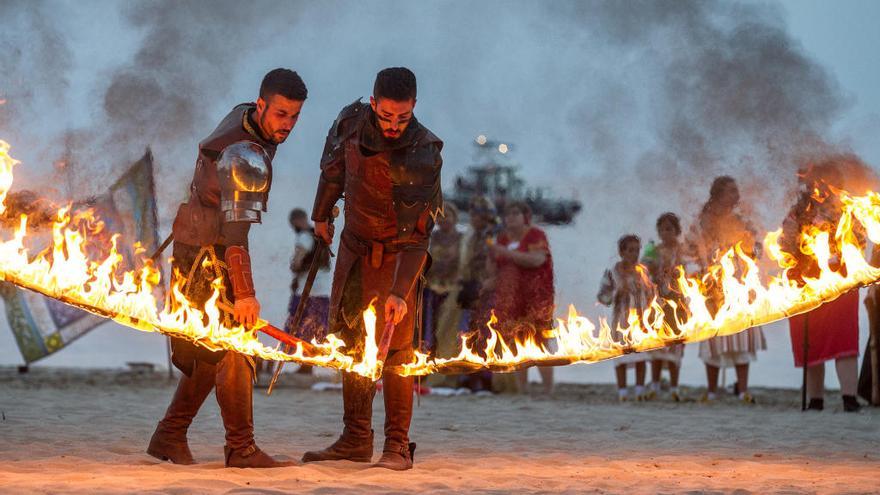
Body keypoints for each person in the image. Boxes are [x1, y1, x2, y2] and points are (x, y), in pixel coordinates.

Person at [148, 69, 307, 467]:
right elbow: (235, 238)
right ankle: (241, 448)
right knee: (236, 348)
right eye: (280, 114)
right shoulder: (246, 155)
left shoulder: (243, 117)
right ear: (261, 105)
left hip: (195, 243)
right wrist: (246, 294)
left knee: (208, 350)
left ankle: (169, 436)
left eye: (294, 116)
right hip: (209, 254)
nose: (286, 125)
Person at [302, 67, 442, 471]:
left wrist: (400, 290)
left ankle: (397, 445)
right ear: (374, 102)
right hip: (353, 248)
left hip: (398, 255)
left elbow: (419, 237)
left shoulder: (423, 151)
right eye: (386, 116)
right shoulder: (349, 123)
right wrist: (321, 215)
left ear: (414, 105)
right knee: (349, 342)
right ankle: (355, 438)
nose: (394, 125)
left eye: (402, 116)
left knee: (396, 352)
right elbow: (332, 173)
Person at [782, 164, 862, 412]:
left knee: (844, 341)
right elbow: (785, 244)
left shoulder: (847, 208)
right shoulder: (798, 211)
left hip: (840, 283)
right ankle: (815, 399)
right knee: (811, 344)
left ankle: (849, 398)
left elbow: (858, 240)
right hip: (807, 283)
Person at [686, 176, 766, 403]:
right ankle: (712, 391)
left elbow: (756, 250)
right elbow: (690, 250)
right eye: (731, 191)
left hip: (739, 283)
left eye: (736, 190)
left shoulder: (742, 221)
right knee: (713, 338)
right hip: (712, 285)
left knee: (741, 338)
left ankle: (742, 391)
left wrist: (750, 244)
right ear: (719, 195)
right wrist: (701, 268)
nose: (736, 195)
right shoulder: (702, 222)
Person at [487, 201, 555, 394]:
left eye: (515, 213)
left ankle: (548, 389)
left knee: (540, 339)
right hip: (509, 297)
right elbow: (493, 269)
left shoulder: (536, 235)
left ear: (525, 216)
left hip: (536, 295)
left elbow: (537, 260)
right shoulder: (501, 238)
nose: (511, 218)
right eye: (507, 214)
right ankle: (522, 389)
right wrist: (490, 255)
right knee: (516, 339)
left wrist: (505, 253)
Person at [598, 234, 654, 401]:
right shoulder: (612, 272)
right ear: (621, 252)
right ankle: (622, 392)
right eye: (630, 250)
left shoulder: (642, 271)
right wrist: (616, 293)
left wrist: (650, 312)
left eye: (637, 250)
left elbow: (651, 293)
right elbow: (602, 297)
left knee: (641, 357)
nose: (634, 254)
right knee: (620, 357)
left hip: (640, 320)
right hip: (620, 319)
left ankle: (639, 391)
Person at [455, 196, 498, 392]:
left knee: (486, 333)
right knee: (466, 331)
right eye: (472, 214)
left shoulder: (493, 236)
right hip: (470, 288)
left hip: (489, 290)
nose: (474, 218)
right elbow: (465, 263)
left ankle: (486, 378)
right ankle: (468, 375)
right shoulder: (470, 236)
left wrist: (487, 284)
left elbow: (497, 263)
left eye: (478, 214)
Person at [641, 213, 686, 401]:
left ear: (676, 231)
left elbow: (686, 270)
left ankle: (675, 387)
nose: (665, 232)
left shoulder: (681, 250)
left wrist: (676, 270)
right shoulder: (654, 250)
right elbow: (643, 269)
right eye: (662, 229)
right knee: (657, 344)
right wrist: (649, 266)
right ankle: (656, 385)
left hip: (677, 299)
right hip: (657, 299)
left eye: (669, 229)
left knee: (676, 342)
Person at [284, 208, 332, 375]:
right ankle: (307, 365)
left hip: (309, 290)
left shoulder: (304, 236)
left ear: (296, 221)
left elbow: (297, 261)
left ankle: (305, 364)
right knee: (315, 327)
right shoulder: (319, 236)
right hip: (323, 290)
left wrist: (294, 267)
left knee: (300, 325)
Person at [421, 203, 462, 355]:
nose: (443, 220)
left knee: (450, 328)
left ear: (455, 218)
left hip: (454, 290)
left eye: (447, 216)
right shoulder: (431, 238)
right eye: (440, 217)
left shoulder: (461, 238)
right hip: (432, 290)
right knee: (431, 328)